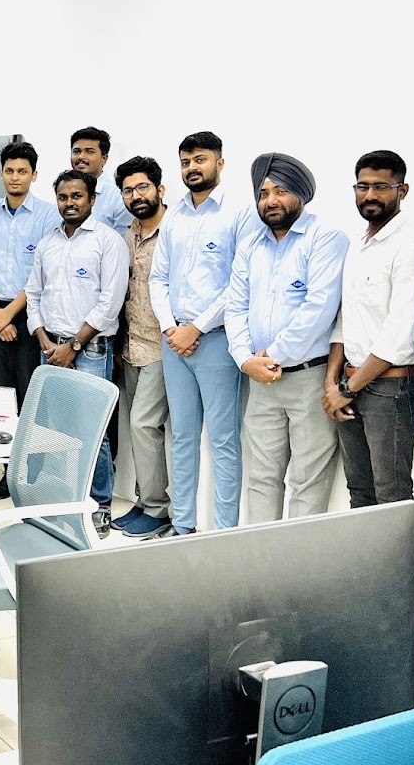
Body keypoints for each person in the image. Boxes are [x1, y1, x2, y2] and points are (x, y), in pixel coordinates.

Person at [226, 153, 349, 524]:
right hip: (260, 380)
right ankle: (260, 556)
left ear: (301, 194)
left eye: (280, 191)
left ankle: (300, 557)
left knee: (307, 481)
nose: (271, 201)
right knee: (261, 477)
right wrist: (244, 359)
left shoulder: (326, 239)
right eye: (263, 194)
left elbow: (318, 309)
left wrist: (272, 355)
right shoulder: (250, 245)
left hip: (308, 379)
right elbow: (235, 306)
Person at [148, 131, 254, 538]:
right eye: (186, 162)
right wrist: (171, 327)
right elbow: (158, 278)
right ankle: (182, 526)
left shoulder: (239, 213)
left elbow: (239, 284)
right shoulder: (174, 215)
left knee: (224, 440)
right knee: (182, 437)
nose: (192, 168)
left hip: (217, 343)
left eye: (200, 160)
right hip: (174, 342)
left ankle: (225, 533)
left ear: (219, 163)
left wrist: (196, 327)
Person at [25, 169, 130, 538]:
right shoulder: (47, 243)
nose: (69, 203)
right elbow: (33, 294)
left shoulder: (108, 242)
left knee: (92, 432)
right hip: (50, 348)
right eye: (63, 197)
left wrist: (73, 346)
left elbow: (110, 303)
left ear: (92, 199)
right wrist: (43, 339)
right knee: (54, 430)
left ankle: (99, 507)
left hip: (91, 351)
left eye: (77, 196)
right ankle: (63, 500)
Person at [322, 151, 414, 506]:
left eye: (381, 186)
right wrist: (332, 382)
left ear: (402, 190)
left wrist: (347, 389)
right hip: (350, 382)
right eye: (363, 186)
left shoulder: (411, 245)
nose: (370, 195)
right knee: (360, 491)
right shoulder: (358, 244)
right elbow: (345, 318)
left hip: (391, 389)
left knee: (391, 494)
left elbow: (400, 333)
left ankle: (400, 550)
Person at [0, 141, 57, 496]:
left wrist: (8, 315)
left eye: (23, 171)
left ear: (34, 175)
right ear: (0, 174)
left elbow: (42, 274)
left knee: (31, 397)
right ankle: (9, 474)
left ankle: (33, 476)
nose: (15, 177)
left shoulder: (48, 215)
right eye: (9, 171)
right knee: (1, 398)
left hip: (29, 314)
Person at [110, 157, 172, 538]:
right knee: (138, 429)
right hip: (130, 345)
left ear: (159, 189)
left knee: (144, 424)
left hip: (162, 349)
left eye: (143, 187)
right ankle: (144, 501)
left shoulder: (174, 233)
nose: (136, 195)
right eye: (129, 190)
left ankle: (159, 509)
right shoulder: (127, 235)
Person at [70, 126, 131, 235]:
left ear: (104, 159)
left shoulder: (118, 197)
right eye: (76, 151)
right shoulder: (64, 193)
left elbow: (124, 240)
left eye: (89, 151)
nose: (81, 156)